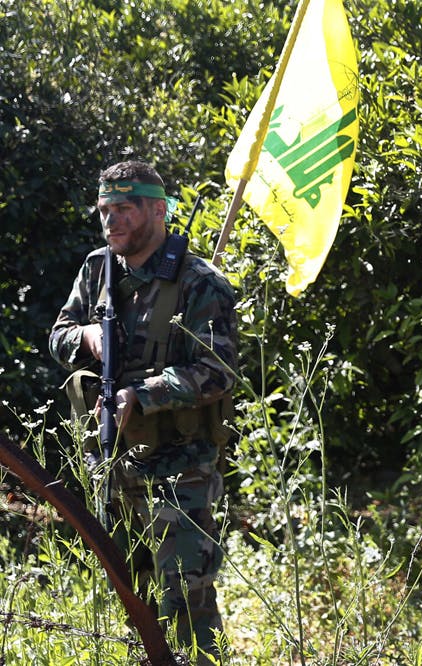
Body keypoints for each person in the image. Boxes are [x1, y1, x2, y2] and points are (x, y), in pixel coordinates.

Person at [49, 160, 238, 663]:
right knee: (135, 601)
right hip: (114, 464)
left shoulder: (201, 283)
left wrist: (145, 394)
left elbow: (218, 370)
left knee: (185, 600)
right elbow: (58, 334)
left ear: (158, 210)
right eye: (105, 210)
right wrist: (85, 335)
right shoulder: (96, 269)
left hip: (181, 467)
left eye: (125, 209)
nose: (112, 221)